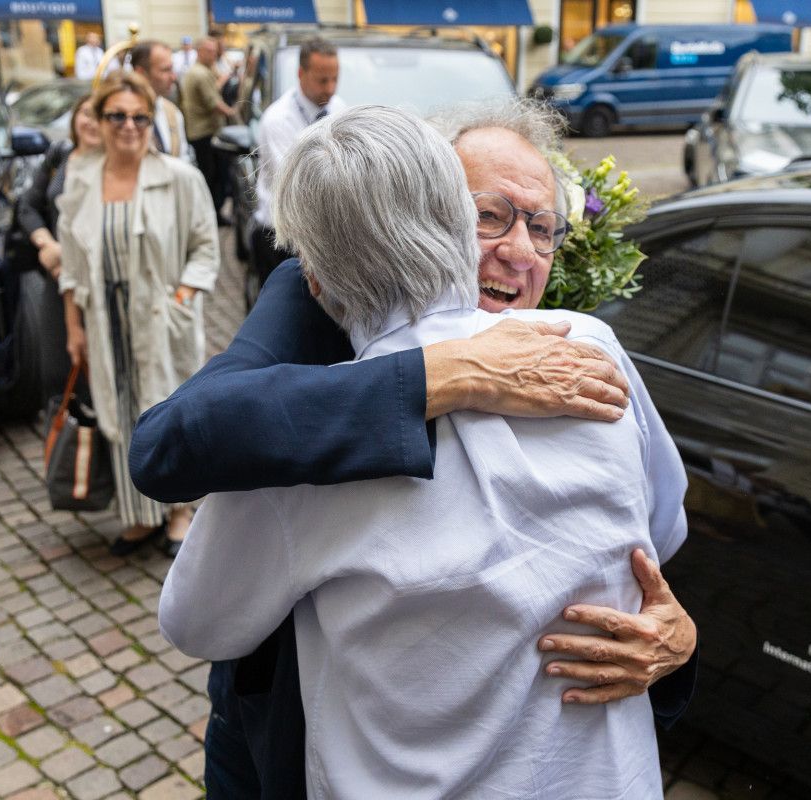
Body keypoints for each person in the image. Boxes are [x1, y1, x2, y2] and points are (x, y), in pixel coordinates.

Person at [132, 97, 697, 799]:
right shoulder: (307, 408)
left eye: (543, 226)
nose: (519, 250)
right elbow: (176, 440)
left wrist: (676, 635)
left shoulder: (585, 347)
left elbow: (654, 538)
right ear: (446, 214)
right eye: (491, 215)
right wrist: (435, 377)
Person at [57, 72, 219, 557]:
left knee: (165, 410)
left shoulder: (178, 178)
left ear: (152, 120)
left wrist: (183, 297)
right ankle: (139, 514)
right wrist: (73, 326)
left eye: (139, 117)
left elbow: (206, 247)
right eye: (117, 116)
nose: (129, 126)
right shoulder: (81, 178)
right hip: (106, 322)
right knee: (120, 413)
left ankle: (177, 510)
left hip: (159, 318)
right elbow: (70, 260)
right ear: (99, 120)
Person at [15, 94, 102, 401]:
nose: (90, 122)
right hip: (56, 277)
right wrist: (45, 243)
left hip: (93, 281)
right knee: (56, 370)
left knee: (95, 375)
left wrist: (64, 255)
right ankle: (69, 438)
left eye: (99, 115)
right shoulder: (61, 154)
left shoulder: (113, 165)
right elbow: (27, 205)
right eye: (85, 114)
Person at [250, 38, 344, 286]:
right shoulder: (278, 120)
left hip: (326, 239)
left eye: (335, 78)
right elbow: (298, 187)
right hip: (283, 241)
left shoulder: (338, 108)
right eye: (323, 80)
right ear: (301, 73)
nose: (331, 88)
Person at [182, 38, 236, 224]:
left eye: (215, 51)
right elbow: (214, 103)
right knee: (214, 177)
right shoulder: (200, 74)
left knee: (211, 175)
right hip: (206, 133)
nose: (214, 55)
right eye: (211, 51)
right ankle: (214, 215)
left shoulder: (201, 71)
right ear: (200, 51)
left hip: (201, 132)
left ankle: (214, 213)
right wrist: (233, 113)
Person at [129, 40, 194, 165]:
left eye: (172, 69)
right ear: (140, 73)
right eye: (165, 70)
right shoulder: (122, 116)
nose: (173, 77)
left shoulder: (172, 111)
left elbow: (183, 158)